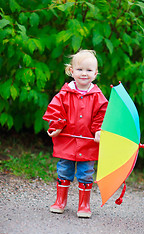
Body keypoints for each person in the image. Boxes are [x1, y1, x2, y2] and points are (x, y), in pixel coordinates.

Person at [43, 49, 108, 218]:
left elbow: (102, 114)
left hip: (88, 143)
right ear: (71, 71)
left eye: (88, 70)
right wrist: (56, 125)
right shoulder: (64, 94)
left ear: (95, 73)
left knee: (86, 172)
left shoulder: (98, 96)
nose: (84, 74)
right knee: (64, 169)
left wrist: (98, 130)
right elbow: (55, 110)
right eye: (79, 69)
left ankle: (84, 204)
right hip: (68, 141)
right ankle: (60, 201)